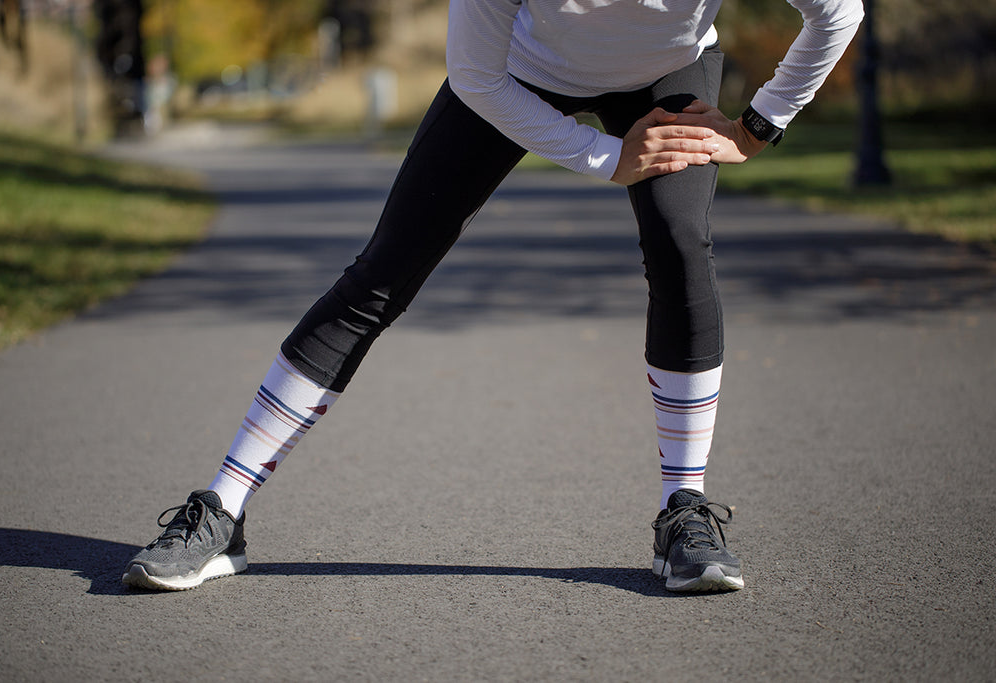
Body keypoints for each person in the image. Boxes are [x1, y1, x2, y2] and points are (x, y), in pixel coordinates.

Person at [122, 0, 863, 593]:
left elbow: (839, 11)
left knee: (680, 248)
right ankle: (223, 510)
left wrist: (757, 128)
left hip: (670, 72)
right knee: (384, 270)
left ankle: (685, 513)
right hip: (516, 74)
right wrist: (605, 156)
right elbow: (476, 77)